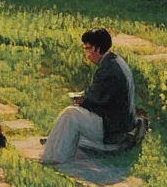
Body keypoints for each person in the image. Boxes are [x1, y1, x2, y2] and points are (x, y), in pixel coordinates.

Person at [41, 28, 138, 164]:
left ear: (97, 49)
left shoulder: (108, 70)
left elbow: (97, 99)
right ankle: (54, 143)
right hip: (119, 124)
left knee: (70, 114)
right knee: (73, 114)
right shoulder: (114, 61)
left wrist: (82, 101)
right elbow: (102, 96)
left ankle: (55, 158)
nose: (86, 54)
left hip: (113, 131)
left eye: (88, 49)